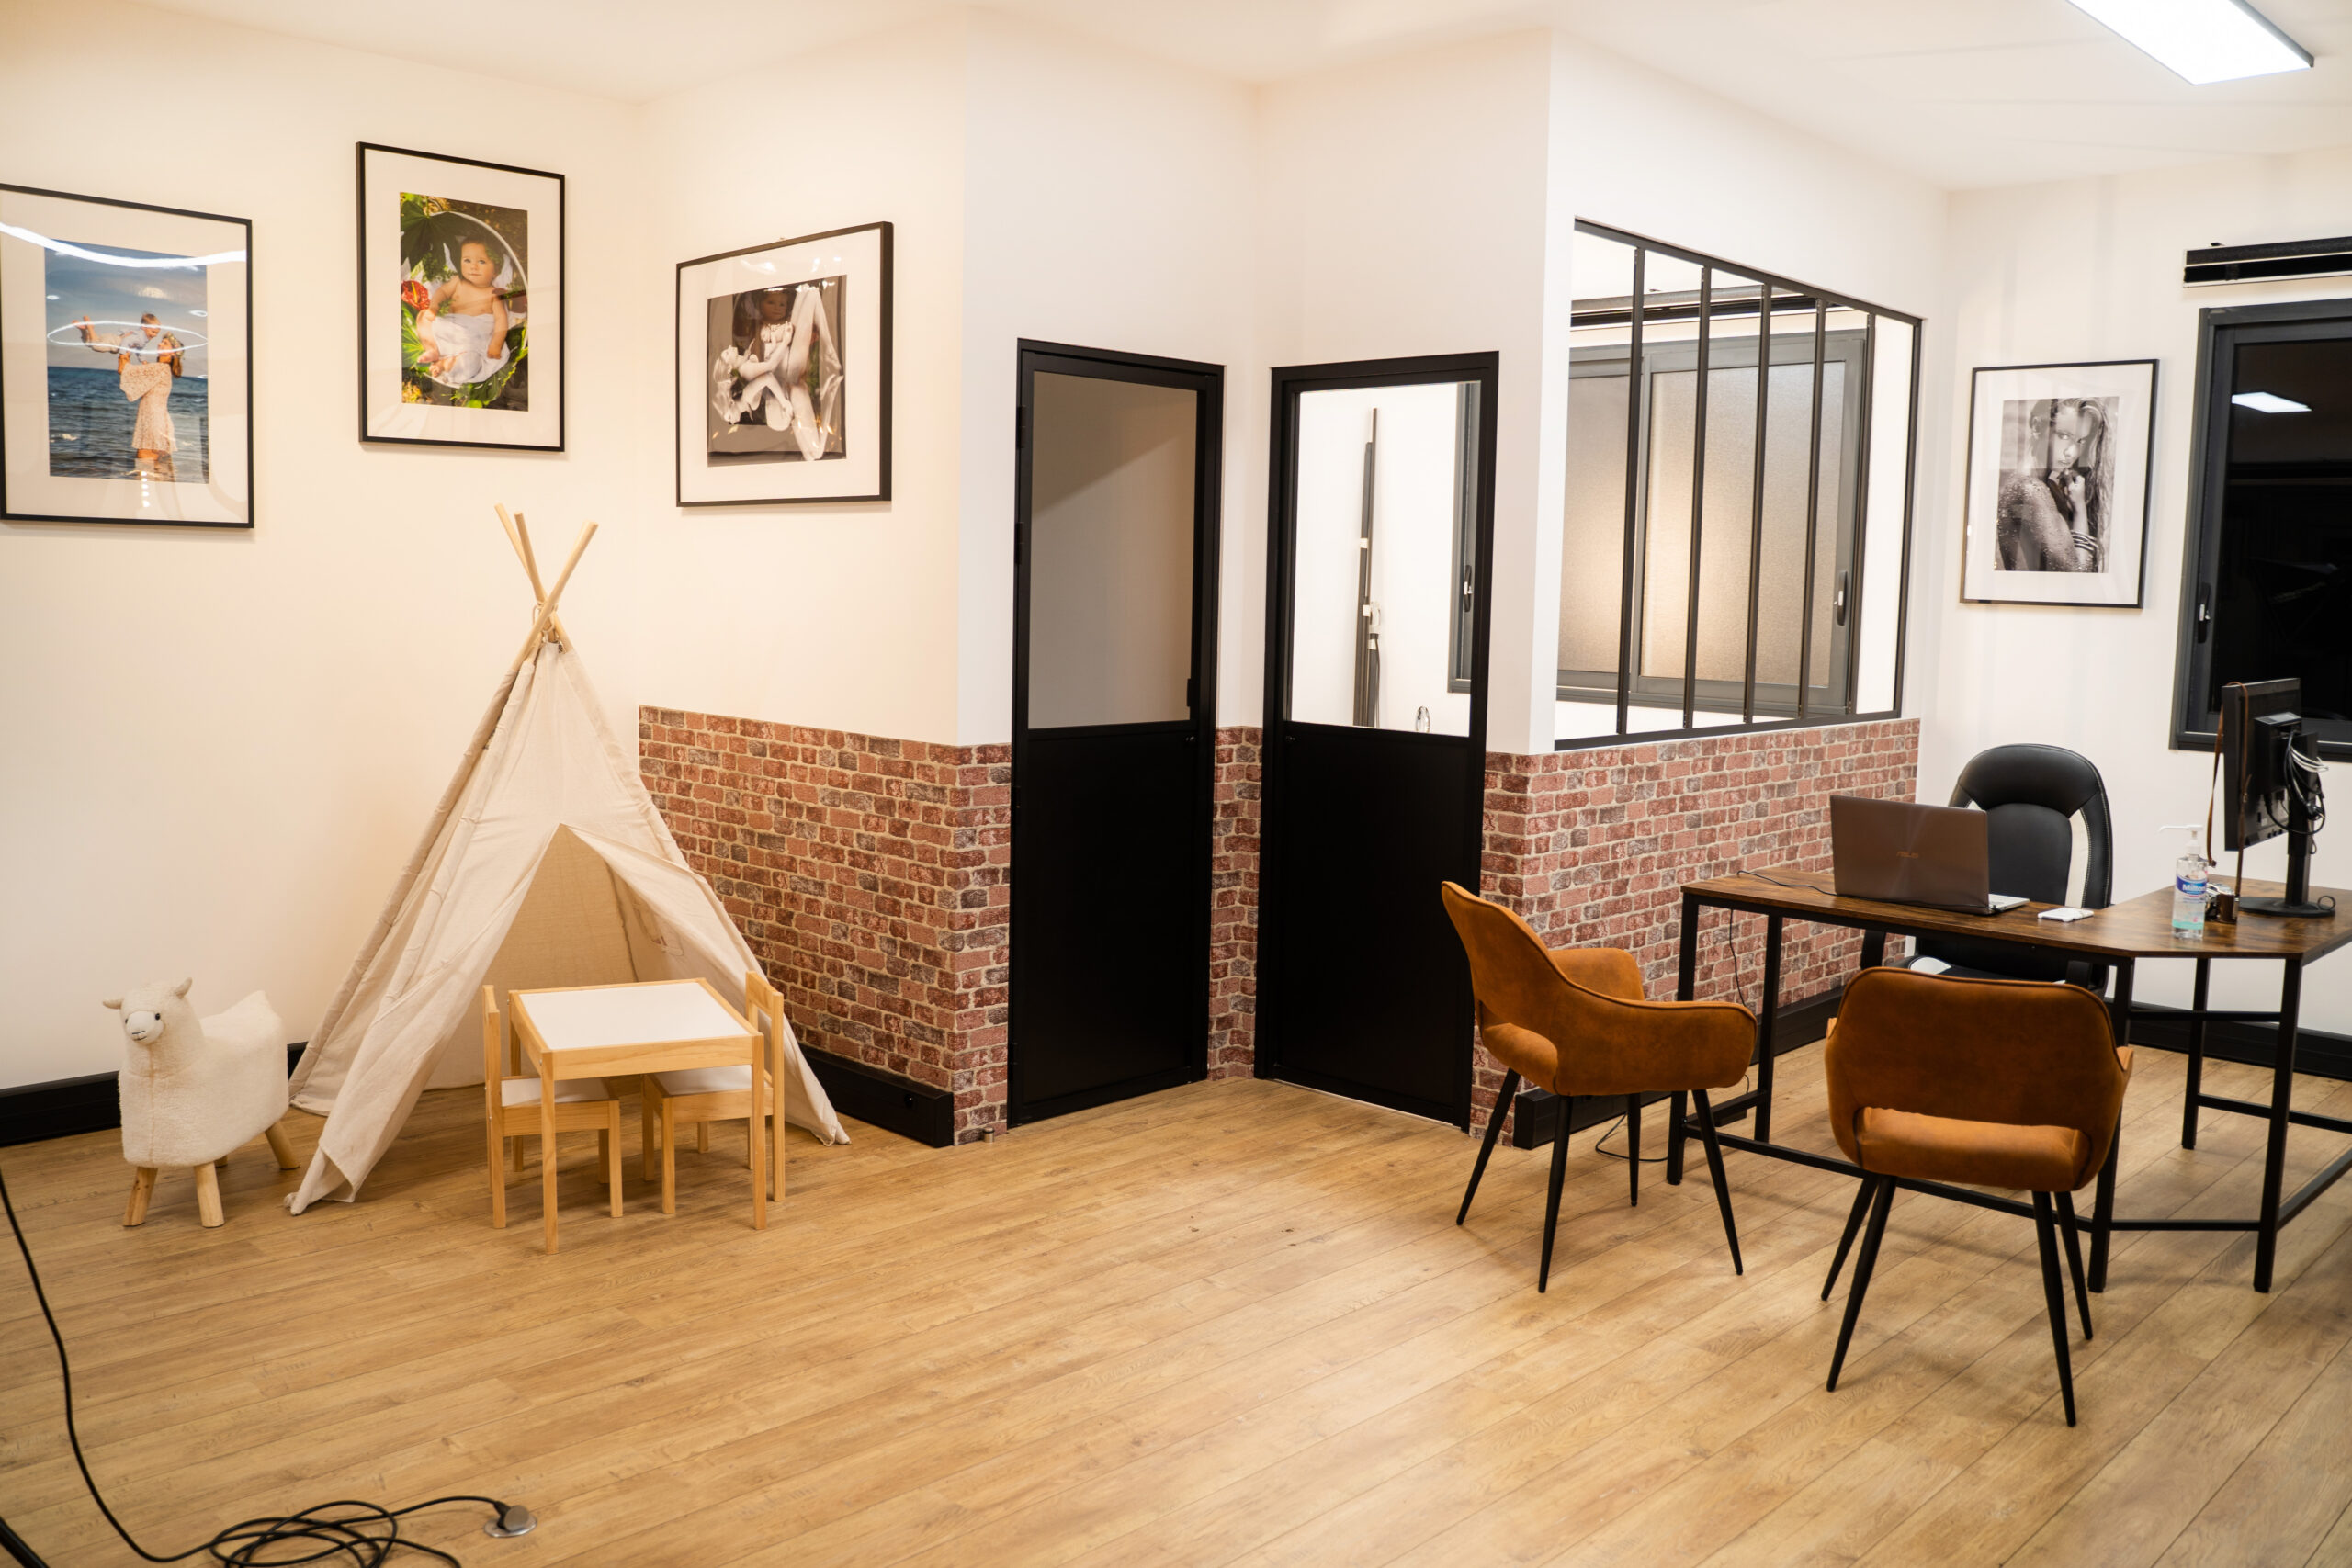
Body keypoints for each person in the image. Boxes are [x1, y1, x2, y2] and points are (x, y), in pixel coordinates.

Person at [72, 310, 179, 476]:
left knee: (144, 462)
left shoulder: (160, 368)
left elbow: (125, 371)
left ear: (173, 353)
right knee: (155, 467)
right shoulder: (160, 369)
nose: (159, 344)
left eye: (165, 344)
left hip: (153, 422)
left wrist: (124, 354)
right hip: (156, 420)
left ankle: (144, 485)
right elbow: (135, 374)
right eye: (161, 341)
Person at [413, 238, 513, 385]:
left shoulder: (493, 293)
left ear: (496, 271)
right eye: (467, 260)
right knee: (423, 316)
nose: (473, 267)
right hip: (447, 330)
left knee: (472, 363)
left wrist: (496, 344)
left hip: (471, 341)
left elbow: (501, 320)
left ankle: (446, 364)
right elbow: (442, 292)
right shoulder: (458, 282)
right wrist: (434, 308)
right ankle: (432, 349)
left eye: (482, 262)